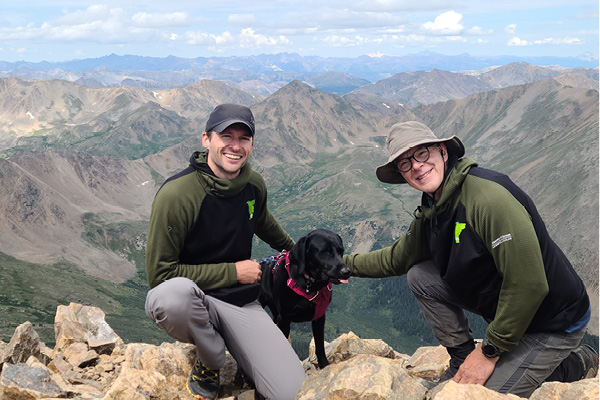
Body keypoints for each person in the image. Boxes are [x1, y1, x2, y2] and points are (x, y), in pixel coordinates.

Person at [343, 121, 598, 397]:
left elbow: (530, 284)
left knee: (480, 395)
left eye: (421, 153)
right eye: (405, 163)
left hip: (553, 322)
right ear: (401, 174)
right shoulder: (435, 204)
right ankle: (462, 357)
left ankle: (575, 364)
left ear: (442, 151)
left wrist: (488, 352)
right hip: (510, 310)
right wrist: (341, 264)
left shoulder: (487, 199)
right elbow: (396, 259)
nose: (416, 166)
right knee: (420, 276)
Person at [144, 103, 306, 400]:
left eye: (244, 138)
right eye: (226, 136)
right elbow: (160, 275)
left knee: (291, 392)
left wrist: (298, 252)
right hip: (195, 299)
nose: (235, 146)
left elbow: (262, 220)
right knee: (169, 297)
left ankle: (243, 350)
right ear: (206, 139)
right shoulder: (177, 194)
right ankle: (211, 359)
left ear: (252, 144)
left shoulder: (253, 185)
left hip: (240, 302)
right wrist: (234, 271)